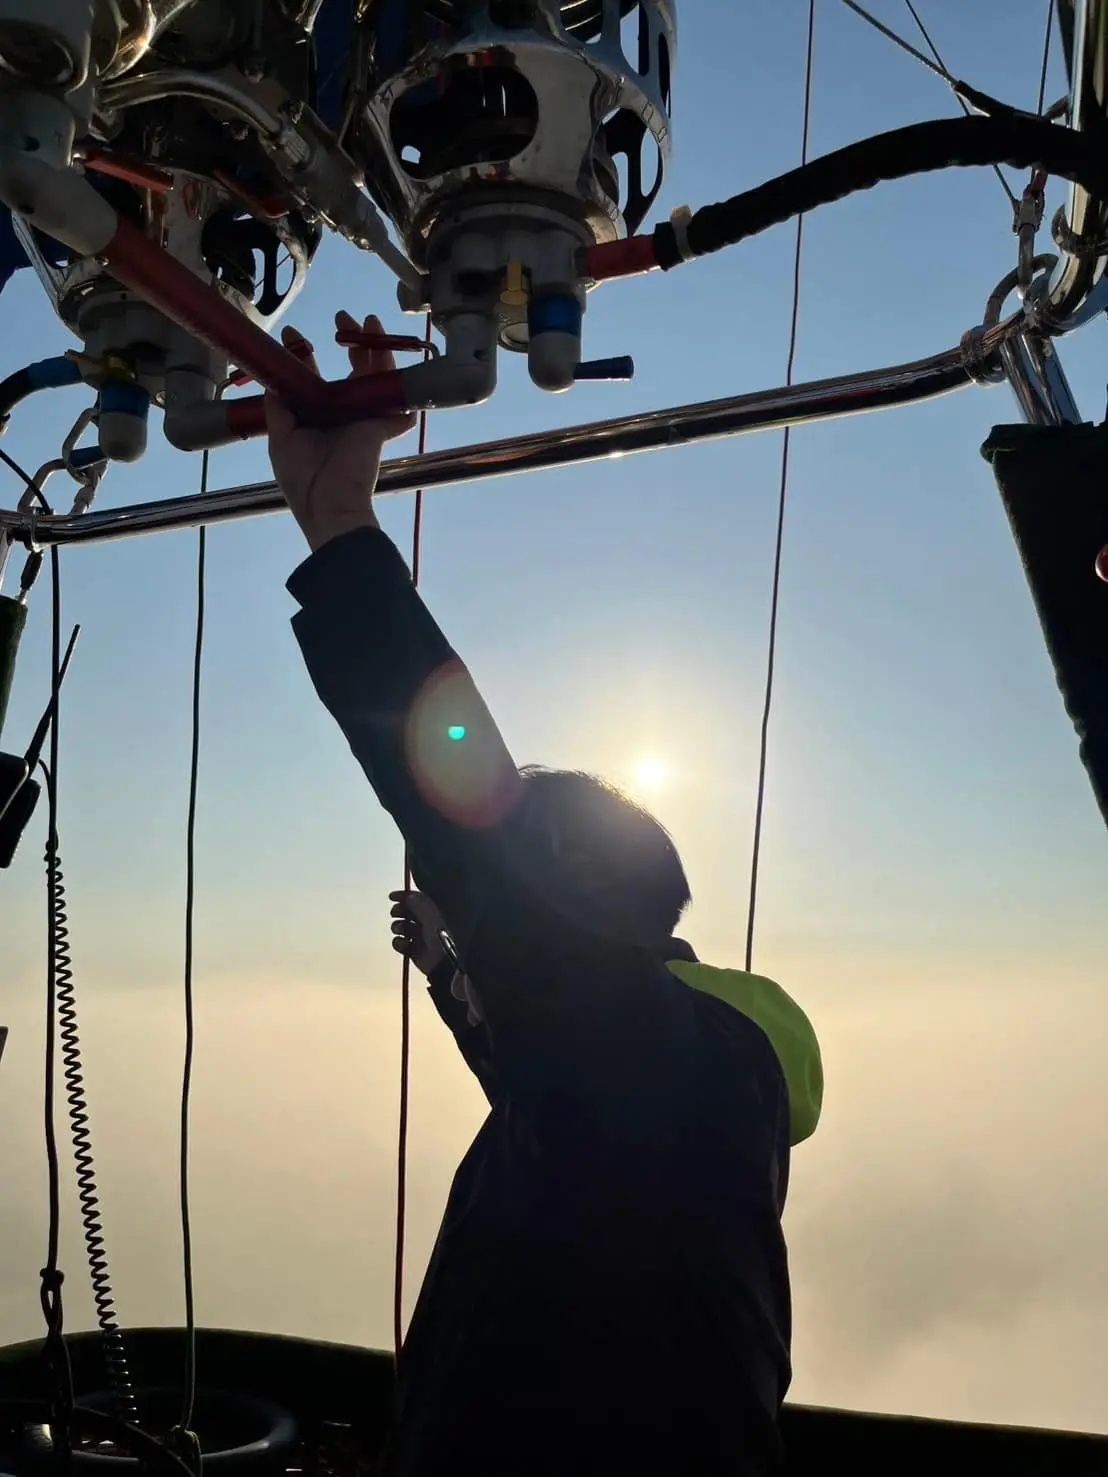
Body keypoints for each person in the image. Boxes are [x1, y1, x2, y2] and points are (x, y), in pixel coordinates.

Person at [268, 311, 824, 1477]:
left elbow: (467, 808)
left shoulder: (615, 1039)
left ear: (559, 891)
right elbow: (547, 1092)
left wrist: (340, 523)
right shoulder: (693, 1071)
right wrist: (456, 975)